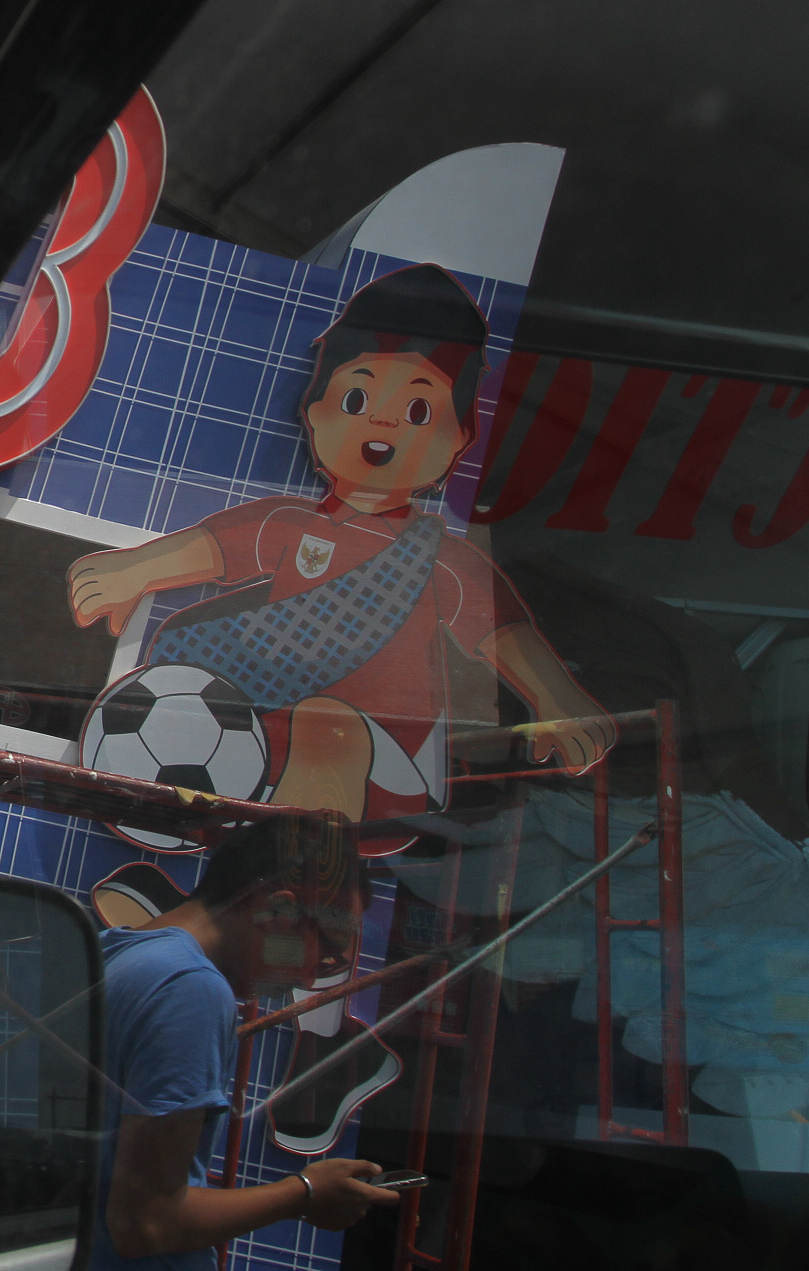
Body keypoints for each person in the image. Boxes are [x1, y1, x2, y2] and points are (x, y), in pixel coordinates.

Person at [69, 262, 614, 1155]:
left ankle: (314, 1042)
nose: (378, 427)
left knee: (323, 732)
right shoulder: (288, 522)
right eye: (357, 396)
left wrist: (556, 700)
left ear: (455, 436)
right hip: (279, 767)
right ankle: (232, 945)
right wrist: (137, 567)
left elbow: (501, 635)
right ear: (317, 409)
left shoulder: (443, 559)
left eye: (416, 409)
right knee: (267, 751)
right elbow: (217, 546)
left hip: (382, 764)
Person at [94, 814, 400, 1268]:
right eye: (329, 948)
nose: (314, 973)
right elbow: (146, 1223)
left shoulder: (114, 950)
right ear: (278, 911)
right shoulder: (189, 988)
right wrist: (306, 1192)